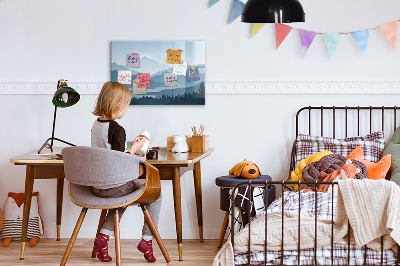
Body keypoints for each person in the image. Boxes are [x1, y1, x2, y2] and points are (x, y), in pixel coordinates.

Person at [91, 81, 161, 263]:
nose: (127, 109)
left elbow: (108, 154)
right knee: (156, 194)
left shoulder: (96, 125)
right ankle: (147, 240)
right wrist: (135, 149)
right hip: (114, 186)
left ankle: (103, 238)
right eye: (126, 105)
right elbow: (118, 161)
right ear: (118, 105)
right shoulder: (117, 129)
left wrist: (130, 149)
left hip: (97, 186)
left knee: (122, 197)